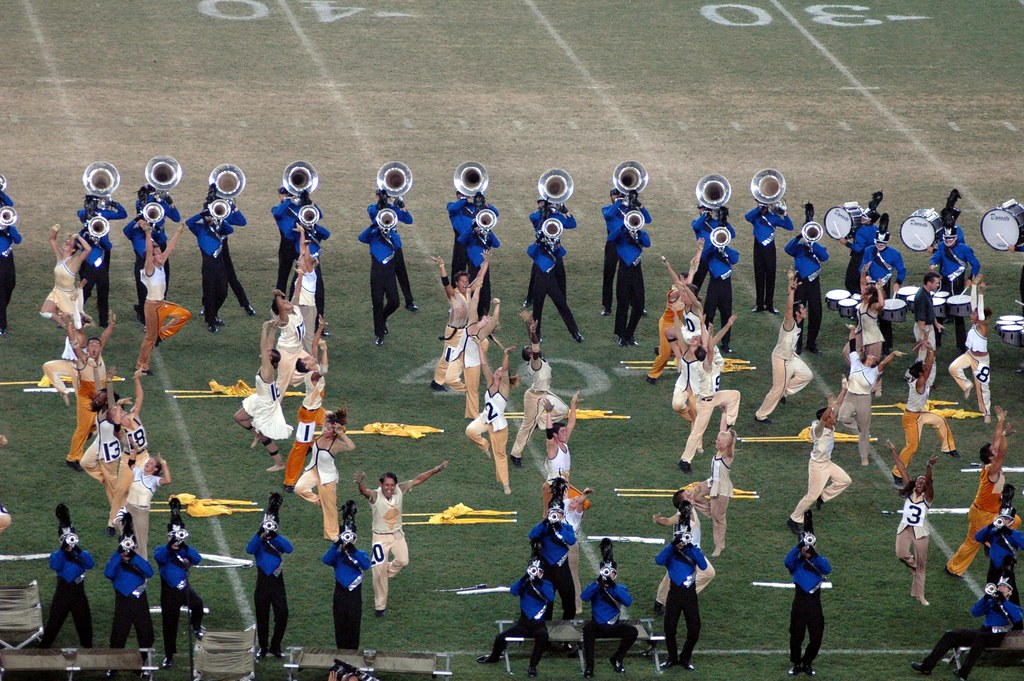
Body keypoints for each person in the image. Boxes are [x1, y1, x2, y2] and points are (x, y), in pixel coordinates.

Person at [354, 461, 448, 617]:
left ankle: (383, 573)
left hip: (397, 535)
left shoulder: (400, 490)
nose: (389, 488)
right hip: (380, 538)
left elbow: (418, 480)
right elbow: (364, 492)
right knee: (377, 572)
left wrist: (436, 470)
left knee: (403, 561)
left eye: (392, 485)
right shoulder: (375, 495)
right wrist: (360, 483)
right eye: (386, 485)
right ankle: (380, 607)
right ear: (381, 484)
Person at [946, 407, 1022, 577]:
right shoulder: (992, 470)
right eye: (993, 451)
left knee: (1014, 520)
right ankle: (953, 568)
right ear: (990, 458)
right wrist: (1002, 428)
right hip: (981, 514)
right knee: (971, 543)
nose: (995, 449)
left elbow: (996, 445)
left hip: (993, 511)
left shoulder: (989, 462)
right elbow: (1002, 452)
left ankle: (990, 542)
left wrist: (1001, 429)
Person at [911, 578, 1022, 679]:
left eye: (1005, 586)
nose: (1000, 587)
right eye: (999, 586)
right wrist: (985, 598)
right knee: (951, 635)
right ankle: (927, 666)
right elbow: (975, 612)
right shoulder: (990, 603)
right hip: (983, 633)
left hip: (997, 637)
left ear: (1010, 592)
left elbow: (1017, 618)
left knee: (981, 637)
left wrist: (1003, 601)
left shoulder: (1014, 607)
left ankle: (964, 672)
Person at [476, 550, 555, 678]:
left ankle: (532, 666)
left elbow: (550, 597)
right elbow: (513, 591)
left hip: (539, 624)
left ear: (542, 573)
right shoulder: (525, 583)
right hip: (524, 623)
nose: (536, 573)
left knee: (543, 637)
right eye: (534, 570)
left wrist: (539, 582)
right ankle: (494, 657)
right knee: (500, 637)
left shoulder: (546, 584)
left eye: (538, 571)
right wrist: (525, 577)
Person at [678, 315, 739, 473]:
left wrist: (711, 328)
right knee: (697, 432)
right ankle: (685, 460)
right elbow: (711, 346)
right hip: (705, 402)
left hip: (714, 396)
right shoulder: (706, 366)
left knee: (734, 395)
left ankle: (729, 421)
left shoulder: (705, 361)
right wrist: (725, 326)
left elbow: (710, 344)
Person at [837, 325, 903, 466]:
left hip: (864, 399)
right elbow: (852, 345)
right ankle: (857, 426)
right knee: (842, 416)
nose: (872, 355)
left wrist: (892, 355)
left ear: (874, 362)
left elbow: (884, 363)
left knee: (865, 432)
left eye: (874, 357)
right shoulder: (855, 362)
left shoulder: (874, 372)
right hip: (850, 396)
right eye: (871, 355)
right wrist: (852, 330)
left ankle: (864, 457)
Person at [234, 320, 296, 471]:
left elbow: (263, 347)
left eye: (268, 354)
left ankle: (279, 463)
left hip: (265, 404)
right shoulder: (267, 365)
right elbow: (268, 346)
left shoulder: (267, 370)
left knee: (263, 436)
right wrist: (273, 329)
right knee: (238, 417)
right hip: (262, 399)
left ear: (270, 360)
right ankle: (257, 433)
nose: (265, 353)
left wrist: (264, 328)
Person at [788, 387, 851, 534]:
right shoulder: (818, 430)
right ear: (826, 419)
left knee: (845, 480)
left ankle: (823, 497)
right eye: (832, 416)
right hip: (818, 466)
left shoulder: (829, 424)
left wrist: (844, 389)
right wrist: (829, 405)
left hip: (827, 463)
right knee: (811, 496)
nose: (835, 418)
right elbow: (824, 419)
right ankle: (794, 519)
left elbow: (837, 405)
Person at [509, 312, 568, 468]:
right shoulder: (535, 362)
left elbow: (533, 343)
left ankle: (539, 423)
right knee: (526, 428)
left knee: (563, 409)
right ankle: (515, 454)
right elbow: (534, 345)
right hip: (534, 398)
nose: (533, 348)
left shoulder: (537, 357)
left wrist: (529, 323)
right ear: (529, 355)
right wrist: (533, 333)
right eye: (530, 350)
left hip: (545, 394)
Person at [892, 344, 958, 483]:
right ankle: (897, 473)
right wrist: (931, 351)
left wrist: (930, 350)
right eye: (924, 369)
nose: (926, 369)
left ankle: (948, 447)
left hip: (919, 414)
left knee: (940, 419)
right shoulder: (920, 382)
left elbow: (927, 366)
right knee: (912, 447)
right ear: (921, 374)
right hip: (911, 419)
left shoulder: (919, 379)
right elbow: (928, 367)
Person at [755, 271, 813, 423]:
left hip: (791, 356)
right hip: (780, 358)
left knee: (807, 375)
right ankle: (760, 415)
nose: (805, 309)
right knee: (776, 389)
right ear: (797, 314)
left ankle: (784, 392)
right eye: (802, 308)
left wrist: (790, 284)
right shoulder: (790, 323)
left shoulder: (797, 321)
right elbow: (788, 309)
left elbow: (791, 304)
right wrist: (791, 291)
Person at [655, 505, 708, 671]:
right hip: (674, 595)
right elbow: (659, 560)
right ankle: (672, 658)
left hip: (690, 595)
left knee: (694, 629)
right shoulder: (671, 552)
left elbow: (704, 565)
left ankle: (685, 658)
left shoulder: (692, 550)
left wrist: (690, 546)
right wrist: (673, 545)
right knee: (669, 629)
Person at [59, 311, 114, 470]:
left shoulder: (99, 357)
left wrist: (111, 325)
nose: (95, 346)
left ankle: (85, 445)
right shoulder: (83, 358)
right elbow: (73, 340)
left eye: (97, 345)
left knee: (96, 426)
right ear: (87, 348)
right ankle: (72, 458)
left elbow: (104, 338)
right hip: (87, 399)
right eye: (92, 345)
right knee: (83, 429)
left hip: (99, 398)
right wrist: (69, 325)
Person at [153, 500, 204, 669]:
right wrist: (170, 546)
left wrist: (184, 545)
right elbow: (159, 558)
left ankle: (196, 625)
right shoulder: (162, 549)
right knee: (170, 625)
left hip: (184, 588)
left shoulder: (184, 550)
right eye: (172, 537)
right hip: (168, 593)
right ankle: (169, 655)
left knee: (198, 604)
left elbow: (197, 559)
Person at [134, 221, 190, 374]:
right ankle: (142, 365)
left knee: (185, 315)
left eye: (159, 253)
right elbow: (149, 250)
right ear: (151, 257)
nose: (160, 255)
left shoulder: (160, 263)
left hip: (162, 304)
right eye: (156, 253)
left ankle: (161, 335)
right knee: (149, 338)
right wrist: (147, 233)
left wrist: (179, 231)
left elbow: (170, 248)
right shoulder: (149, 268)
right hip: (152, 307)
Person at [526, 201, 583, 342]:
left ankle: (575, 332)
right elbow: (530, 251)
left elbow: (572, 223)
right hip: (540, 275)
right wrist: (539, 240)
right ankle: (536, 335)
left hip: (550, 276)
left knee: (562, 305)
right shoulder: (538, 219)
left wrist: (565, 210)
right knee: (537, 308)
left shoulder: (557, 218)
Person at [125, 184, 181, 324]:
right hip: (144, 250)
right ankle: (143, 312)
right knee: (142, 284)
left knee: (163, 278)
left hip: (158, 244)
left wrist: (169, 202)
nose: (154, 194)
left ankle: (160, 307)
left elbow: (176, 218)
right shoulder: (142, 203)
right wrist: (141, 219)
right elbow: (129, 228)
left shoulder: (162, 204)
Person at [580, 539, 637, 677]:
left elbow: (628, 601)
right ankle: (589, 666)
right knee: (588, 629)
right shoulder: (595, 586)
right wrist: (598, 582)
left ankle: (617, 658)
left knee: (632, 632)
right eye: (606, 572)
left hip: (614, 625)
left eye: (611, 572)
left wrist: (613, 586)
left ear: (615, 574)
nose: (608, 575)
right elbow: (584, 597)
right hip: (597, 625)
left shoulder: (620, 588)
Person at [40, 504, 94, 649]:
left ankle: (88, 653)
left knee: (85, 625)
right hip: (62, 593)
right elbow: (55, 565)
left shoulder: (81, 553)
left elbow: (90, 564)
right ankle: (42, 652)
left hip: (78, 593)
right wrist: (63, 550)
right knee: (53, 625)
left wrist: (77, 550)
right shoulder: (57, 555)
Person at [297, 408, 355, 541]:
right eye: (324, 427)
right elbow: (327, 413)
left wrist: (342, 433)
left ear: (335, 432)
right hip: (313, 470)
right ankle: (320, 501)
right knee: (299, 488)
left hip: (327, 478)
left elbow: (352, 447)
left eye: (329, 429)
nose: (324, 430)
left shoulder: (336, 445)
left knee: (330, 509)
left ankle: (333, 535)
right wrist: (333, 421)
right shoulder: (323, 433)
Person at [466, 345, 518, 495]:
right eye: (498, 369)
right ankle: (484, 445)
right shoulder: (490, 382)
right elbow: (484, 364)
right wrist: (478, 346)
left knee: (500, 455)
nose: (498, 371)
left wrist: (506, 355)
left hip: (499, 426)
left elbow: (506, 370)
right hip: (484, 419)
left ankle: (506, 485)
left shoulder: (504, 388)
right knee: (470, 431)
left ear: (504, 377)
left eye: (500, 371)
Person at [81, 387, 133, 534]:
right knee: (85, 463)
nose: (97, 397)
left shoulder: (112, 413)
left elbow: (112, 402)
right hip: (98, 444)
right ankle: (107, 481)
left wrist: (110, 382)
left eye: (101, 396)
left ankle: (114, 521)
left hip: (109, 451)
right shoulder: (101, 409)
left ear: (108, 400)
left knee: (114, 492)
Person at [890, 443, 937, 606]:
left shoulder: (928, 498)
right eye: (917, 481)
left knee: (922, 567)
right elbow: (902, 469)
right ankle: (913, 566)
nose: (919, 483)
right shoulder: (910, 492)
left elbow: (929, 480)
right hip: (905, 528)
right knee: (901, 554)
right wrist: (894, 452)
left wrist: (929, 466)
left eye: (922, 482)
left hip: (920, 532)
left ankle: (920, 595)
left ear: (925, 486)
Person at [282, 327, 329, 492]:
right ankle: (289, 481)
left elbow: (314, 344)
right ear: (307, 368)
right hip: (308, 415)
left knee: (337, 425)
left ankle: (312, 445)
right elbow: (324, 369)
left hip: (317, 410)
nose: (310, 358)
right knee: (298, 448)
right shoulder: (312, 375)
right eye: (308, 360)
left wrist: (320, 328)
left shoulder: (311, 368)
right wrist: (325, 351)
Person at [785, 512, 831, 677]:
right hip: (799, 604)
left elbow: (827, 569)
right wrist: (799, 547)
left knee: (816, 637)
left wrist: (814, 554)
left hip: (814, 606)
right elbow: (787, 561)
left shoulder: (818, 561)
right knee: (796, 637)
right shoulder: (796, 564)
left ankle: (807, 662)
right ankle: (797, 664)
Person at [646, 252, 702, 385]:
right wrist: (668, 267)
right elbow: (684, 286)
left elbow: (690, 276)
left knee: (685, 346)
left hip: (678, 323)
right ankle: (652, 375)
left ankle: (663, 348)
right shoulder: (674, 293)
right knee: (665, 355)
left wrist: (698, 254)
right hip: (667, 324)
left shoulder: (682, 291)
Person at [247, 494, 292, 660]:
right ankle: (264, 647)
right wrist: (260, 534)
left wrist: (275, 535)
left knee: (282, 614)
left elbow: (289, 548)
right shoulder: (258, 541)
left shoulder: (278, 540)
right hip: (263, 582)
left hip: (277, 582)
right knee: (262, 616)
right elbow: (249, 549)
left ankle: (275, 645)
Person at [104, 514, 154, 661]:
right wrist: (118, 555)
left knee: (145, 633)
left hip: (139, 600)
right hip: (123, 601)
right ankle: (113, 665)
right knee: (118, 634)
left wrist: (134, 557)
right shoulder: (117, 558)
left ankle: (143, 662)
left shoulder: (137, 559)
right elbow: (108, 573)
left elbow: (149, 572)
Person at [323, 501, 371, 650]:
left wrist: (353, 549)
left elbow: (366, 565)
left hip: (354, 594)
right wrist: (337, 543)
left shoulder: (361, 553)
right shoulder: (337, 555)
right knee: (340, 625)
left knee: (353, 625)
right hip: (340, 593)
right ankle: (341, 653)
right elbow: (326, 560)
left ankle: (353, 655)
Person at [186, 198, 238, 333]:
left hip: (220, 264)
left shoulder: (219, 228)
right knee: (209, 293)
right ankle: (211, 321)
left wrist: (219, 220)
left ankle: (214, 314)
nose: (209, 217)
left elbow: (230, 229)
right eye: (208, 215)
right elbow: (188, 222)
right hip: (208, 265)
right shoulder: (199, 229)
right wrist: (201, 214)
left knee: (223, 292)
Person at [428, 256, 478, 393]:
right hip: (453, 332)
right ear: (456, 283)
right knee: (448, 356)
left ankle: (458, 375)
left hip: (464, 330)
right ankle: (437, 381)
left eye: (466, 281)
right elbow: (445, 283)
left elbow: (479, 280)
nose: (465, 283)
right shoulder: (454, 294)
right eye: (462, 281)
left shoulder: (468, 292)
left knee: (464, 353)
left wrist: (485, 263)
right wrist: (442, 266)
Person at [77, 193, 127, 327]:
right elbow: (80, 214)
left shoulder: (102, 213)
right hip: (90, 258)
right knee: (87, 290)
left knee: (98, 290)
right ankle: (74, 315)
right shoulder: (86, 214)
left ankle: (102, 319)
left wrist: (113, 203)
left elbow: (123, 214)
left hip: (98, 256)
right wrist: (89, 215)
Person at [528, 488, 578, 620]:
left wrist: (558, 526)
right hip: (546, 569)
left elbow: (571, 540)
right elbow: (532, 535)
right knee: (546, 600)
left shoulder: (567, 527)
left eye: (558, 513)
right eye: (552, 512)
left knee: (569, 597)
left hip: (563, 568)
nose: (555, 515)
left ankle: (567, 628)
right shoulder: (543, 527)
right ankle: (545, 630)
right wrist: (546, 521)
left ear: (562, 515)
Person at [930, 224, 980, 352]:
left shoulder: (965, 249)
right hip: (944, 281)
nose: (947, 241)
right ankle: (937, 340)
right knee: (938, 310)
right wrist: (933, 263)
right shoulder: (941, 246)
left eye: (950, 238)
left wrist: (970, 278)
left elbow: (975, 265)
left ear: (956, 237)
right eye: (946, 238)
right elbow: (937, 257)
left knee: (958, 315)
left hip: (957, 283)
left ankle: (961, 345)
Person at [784, 210, 828, 355]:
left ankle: (811, 343)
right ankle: (797, 343)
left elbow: (825, 256)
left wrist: (812, 243)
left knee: (816, 312)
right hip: (801, 282)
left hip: (814, 283)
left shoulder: (818, 247)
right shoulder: (798, 247)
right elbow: (787, 249)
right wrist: (799, 237)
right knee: (798, 311)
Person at [860, 215, 905, 353]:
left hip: (883, 286)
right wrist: (865, 273)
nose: (879, 246)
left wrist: (898, 282)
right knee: (866, 314)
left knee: (884, 315)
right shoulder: (869, 250)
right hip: (869, 286)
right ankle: (865, 341)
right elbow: (861, 266)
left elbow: (902, 270)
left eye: (882, 244)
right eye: (878, 243)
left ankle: (886, 344)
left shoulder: (894, 253)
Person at [949, 279, 992, 422]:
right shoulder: (976, 324)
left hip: (981, 361)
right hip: (969, 355)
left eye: (973, 315)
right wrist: (973, 286)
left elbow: (979, 310)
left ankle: (987, 413)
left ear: (979, 317)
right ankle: (967, 385)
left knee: (983, 388)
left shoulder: (983, 326)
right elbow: (974, 305)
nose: (970, 315)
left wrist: (981, 293)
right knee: (953, 368)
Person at [358, 211, 403, 346]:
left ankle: (382, 318)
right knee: (377, 303)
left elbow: (398, 245)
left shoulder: (392, 235)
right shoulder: (373, 235)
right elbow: (361, 237)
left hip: (389, 272)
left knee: (395, 302)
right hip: (376, 272)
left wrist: (390, 231)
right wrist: (374, 226)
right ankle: (379, 334)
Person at [610, 203, 652, 347]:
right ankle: (621, 336)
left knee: (639, 306)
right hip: (624, 270)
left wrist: (638, 233)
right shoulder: (621, 234)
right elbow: (610, 239)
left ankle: (629, 334)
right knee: (622, 304)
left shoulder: (642, 234)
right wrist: (624, 227)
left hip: (636, 271)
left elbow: (647, 243)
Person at [690, 430, 737, 557]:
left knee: (718, 520)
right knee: (692, 494)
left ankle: (719, 546)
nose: (716, 441)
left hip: (721, 489)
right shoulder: (719, 451)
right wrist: (724, 413)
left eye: (719, 441)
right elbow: (723, 429)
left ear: (726, 445)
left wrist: (732, 438)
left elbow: (731, 446)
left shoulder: (727, 457)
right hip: (712, 483)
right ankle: (711, 510)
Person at [369, 188, 417, 312]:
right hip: (382, 246)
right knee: (382, 275)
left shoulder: (393, 209)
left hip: (394, 245)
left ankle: (409, 300)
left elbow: (409, 220)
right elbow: (372, 213)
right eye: (381, 196)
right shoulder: (373, 208)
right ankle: (379, 301)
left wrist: (403, 207)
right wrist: (381, 206)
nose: (382, 198)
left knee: (402, 273)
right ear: (377, 196)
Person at [974, 506, 1024, 622]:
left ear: (1011, 521)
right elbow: (978, 537)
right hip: (993, 569)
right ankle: (993, 621)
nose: (1004, 521)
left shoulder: (1015, 534)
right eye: (1002, 518)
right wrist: (991, 525)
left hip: (1007, 570)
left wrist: (1009, 531)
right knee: (991, 596)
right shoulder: (993, 533)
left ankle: (1017, 626)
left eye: (1007, 519)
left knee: (1011, 597)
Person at [41, 225, 92, 332]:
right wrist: (55, 231)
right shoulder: (60, 256)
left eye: (69, 244)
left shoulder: (75, 261)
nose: (66, 244)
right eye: (66, 242)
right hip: (56, 291)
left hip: (68, 295)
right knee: (45, 312)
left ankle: (70, 329)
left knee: (77, 326)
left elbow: (88, 249)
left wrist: (78, 237)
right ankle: (64, 325)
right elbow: (52, 240)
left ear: (73, 249)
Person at [747, 200, 794, 313]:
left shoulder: (773, 217)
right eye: (759, 204)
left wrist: (785, 214)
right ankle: (759, 305)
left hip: (770, 249)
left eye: (763, 205)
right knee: (759, 276)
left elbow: (790, 226)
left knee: (770, 276)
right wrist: (759, 208)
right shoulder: (755, 216)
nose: (762, 207)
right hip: (758, 248)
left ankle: (769, 305)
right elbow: (747, 217)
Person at [124, 450, 170, 559]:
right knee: (123, 532)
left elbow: (167, 480)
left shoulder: (154, 480)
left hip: (141, 512)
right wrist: (134, 450)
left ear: (155, 469)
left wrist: (163, 463)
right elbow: (131, 463)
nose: (148, 463)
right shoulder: (138, 472)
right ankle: (126, 557)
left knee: (141, 541)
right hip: (128, 507)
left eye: (152, 463)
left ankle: (142, 565)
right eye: (148, 461)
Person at [447, 189, 497, 289]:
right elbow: (452, 209)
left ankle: (475, 293)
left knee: (475, 269)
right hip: (461, 241)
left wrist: (485, 204)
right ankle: (455, 295)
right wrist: (464, 198)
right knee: (457, 268)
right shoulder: (452, 205)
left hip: (474, 241)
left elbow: (495, 214)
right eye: (461, 193)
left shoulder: (475, 207)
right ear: (457, 195)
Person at [702, 227, 740, 354]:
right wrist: (714, 245)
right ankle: (705, 339)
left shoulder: (730, 252)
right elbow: (704, 256)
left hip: (725, 287)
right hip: (714, 285)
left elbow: (735, 260)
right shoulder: (712, 253)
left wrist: (724, 249)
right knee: (709, 313)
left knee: (726, 314)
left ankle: (725, 343)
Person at [541, 391, 580, 514]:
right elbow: (548, 433)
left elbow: (571, 423)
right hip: (554, 487)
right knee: (554, 516)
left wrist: (573, 404)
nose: (565, 433)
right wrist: (548, 414)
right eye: (562, 432)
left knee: (562, 514)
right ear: (555, 435)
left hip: (562, 483)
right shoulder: (553, 447)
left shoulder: (563, 443)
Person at [840, 194, 881, 294]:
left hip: (858, 259)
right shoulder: (875, 229)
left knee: (850, 282)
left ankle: (859, 299)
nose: (862, 217)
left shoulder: (862, 231)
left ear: (870, 220)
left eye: (865, 217)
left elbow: (858, 248)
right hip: (871, 258)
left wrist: (846, 243)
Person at [690, 205, 734, 292]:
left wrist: (724, 221)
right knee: (696, 284)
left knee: (716, 283)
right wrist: (705, 214)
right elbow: (695, 227)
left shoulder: (716, 223)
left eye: (704, 208)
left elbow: (732, 234)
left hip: (715, 257)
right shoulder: (696, 222)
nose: (702, 210)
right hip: (703, 257)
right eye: (701, 208)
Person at [854, 266, 885, 366]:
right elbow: (862, 283)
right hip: (861, 335)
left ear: (870, 295)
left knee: (871, 365)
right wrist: (863, 271)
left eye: (865, 292)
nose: (862, 292)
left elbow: (881, 304)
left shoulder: (872, 306)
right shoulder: (864, 301)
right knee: (850, 353)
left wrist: (879, 289)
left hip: (873, 339)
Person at [0, 199, 22, 336]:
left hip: (8, 259)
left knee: (10, 285)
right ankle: (2, 325)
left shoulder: (9, 227)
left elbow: (19, 240)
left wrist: (7, 229)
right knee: (0, 293)